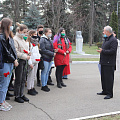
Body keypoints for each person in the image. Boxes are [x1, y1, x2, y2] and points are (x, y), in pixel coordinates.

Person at [0, 18, 18, 111]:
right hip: (5, 64)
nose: (12, 26)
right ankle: (1, 102)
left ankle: (2, 100)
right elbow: (5, 52)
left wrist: (15, 59)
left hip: (10, 63)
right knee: (3, 83)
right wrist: (14, 60)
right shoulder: (1, 37)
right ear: (7, 26)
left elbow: (12, 50)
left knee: (6, 83)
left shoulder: (8, 36)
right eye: (11, 24)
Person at [97, 26, 118, 99]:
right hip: (103, 61)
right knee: (104, 77)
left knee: (109, 78)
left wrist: (103, 51)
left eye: (104, 31)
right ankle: (104, 90)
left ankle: (110, 93)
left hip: (109, 62)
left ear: (108, 32)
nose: (103, 32)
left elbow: (113, 51)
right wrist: (102, 50)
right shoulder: (106, 39)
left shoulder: (113, 40)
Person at [14, 22, 30, 103]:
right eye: (24, 32)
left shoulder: (22, 39)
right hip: (19, 61)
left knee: (23, 78)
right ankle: (17, 95)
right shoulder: (15, 39)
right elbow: (16, 52)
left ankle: (21, 93)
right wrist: (24, 56)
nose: (25, 34)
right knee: (19, 79)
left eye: (26, 32)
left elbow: (24, 49)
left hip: (24, 61)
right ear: (19, 31)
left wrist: (28, 52)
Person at [27, 30, 41, 95]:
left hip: (36, 61)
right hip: (31, 62)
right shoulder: (29, 43)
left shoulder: (36, 43)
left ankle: (32, 87)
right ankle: (29, 88)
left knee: (34, 76)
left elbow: (37, 52)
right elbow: (28, 54)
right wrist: (30, 63)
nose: (36, 35)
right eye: (34, 34)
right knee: (30, 76)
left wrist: (39, 57)